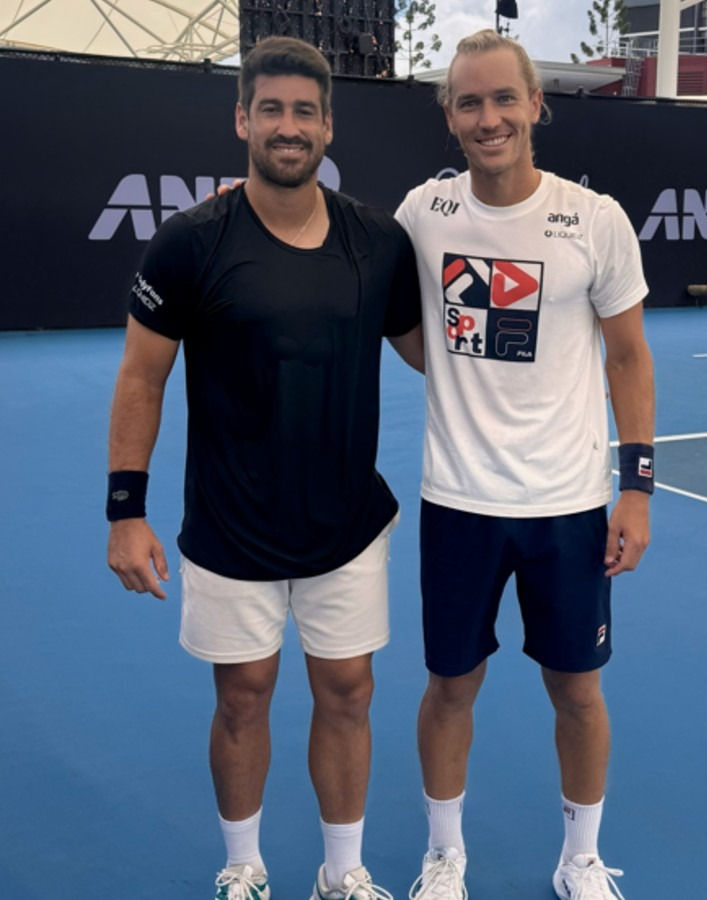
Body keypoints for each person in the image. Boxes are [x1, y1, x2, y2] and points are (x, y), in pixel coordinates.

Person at [106, 35, 422, 900]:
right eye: (272, 109)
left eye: (305, 112)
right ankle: (244, 867)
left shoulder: (379, 242)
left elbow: (432, 355)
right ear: (243, 118)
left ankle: (343, 873)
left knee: (348, 692)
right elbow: (142, 374)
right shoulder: (189, 243)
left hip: (348, 523)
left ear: (329, 125)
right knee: (243, 697)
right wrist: (124, 511)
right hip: (230, 523)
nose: (289, 127)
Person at [394, 29, 655, 900]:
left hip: (571, 505)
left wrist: (638, 490)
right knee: (449, 686)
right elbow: (403, 323)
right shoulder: (422, 215)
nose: (489, 116)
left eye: (505, 98)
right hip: (458, 502)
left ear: (537, 105)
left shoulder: (596, 220)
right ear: (449, 116)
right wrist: (455, 369)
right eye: (470, 101)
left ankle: (579, 857)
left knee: (577, 691)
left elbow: (628, 359)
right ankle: (444, 855)